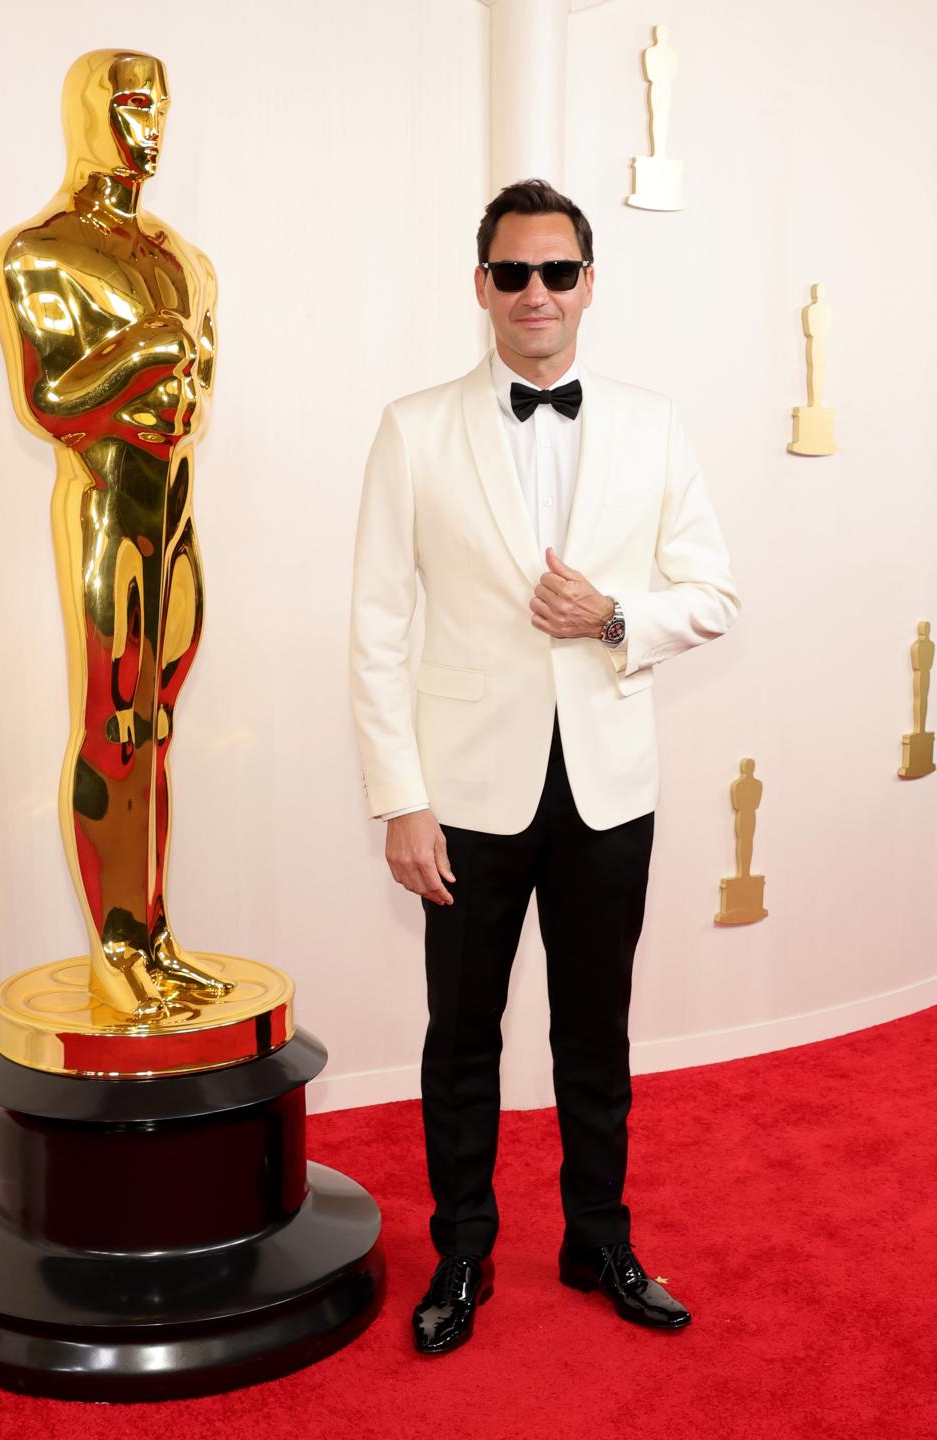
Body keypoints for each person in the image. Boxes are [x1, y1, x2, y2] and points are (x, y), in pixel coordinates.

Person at [349, 179, 739, 1354]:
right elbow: (377, 624)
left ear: (585, 286)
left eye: (556, 272)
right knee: (460, 1034)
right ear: (481, 287)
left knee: (596, 1029)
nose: (534, 293)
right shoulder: (413, 428)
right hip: (462, 793)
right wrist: (401, 799)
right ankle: (461, 1254)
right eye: (512, 273)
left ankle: (599, 1239)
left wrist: (615, 616)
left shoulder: (653, 422)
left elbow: (714, 593)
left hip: (609, 784)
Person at [0, 50, 231, 1020]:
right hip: (104, 507)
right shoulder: (39, 251)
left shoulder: (183, 257)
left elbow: (196, 398)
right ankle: (114, 949)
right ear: (87, 113)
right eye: (131, 104)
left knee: (157, 728)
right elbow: (50, 401)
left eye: (162, 106)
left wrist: (177, 366)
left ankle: (153, 936)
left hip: (174, 512)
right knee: (113, 727)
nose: (151, 127)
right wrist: (151, 347)